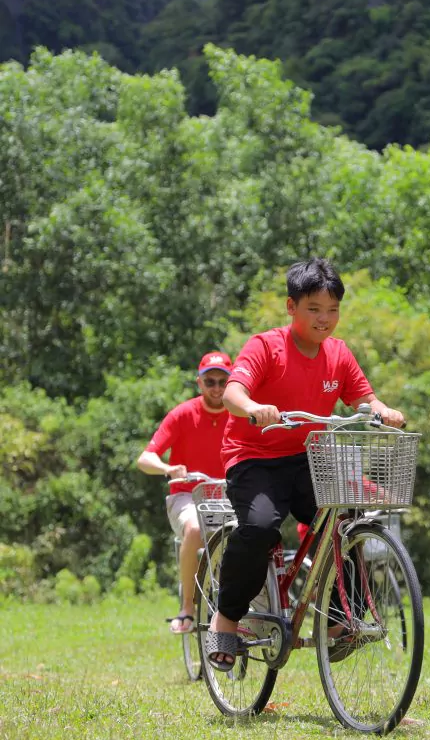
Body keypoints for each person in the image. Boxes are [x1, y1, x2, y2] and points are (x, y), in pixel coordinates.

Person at [206, 257, 404, 670]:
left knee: (347, 520)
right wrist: (254, 407)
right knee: (259, 528)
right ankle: (226, 618)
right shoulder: (265, 346)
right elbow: (232, 394)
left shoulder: (338, 354)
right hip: (254, 459)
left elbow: (363, 397)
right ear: (291, 307)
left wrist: (383, 410)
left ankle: (336, 624)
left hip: (307, 458)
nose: (324, 319)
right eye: (314, 309)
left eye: (333, 310)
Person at [137, 351, 233, 634]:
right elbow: (146, 458)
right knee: (194, 529)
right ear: (199, 383)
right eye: (210, 381)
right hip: (187, 496)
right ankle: (187, 609)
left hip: (229, 495)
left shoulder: (238, 414)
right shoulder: (183, 414)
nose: (216, 388)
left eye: (222, 382)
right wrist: (168, 468)